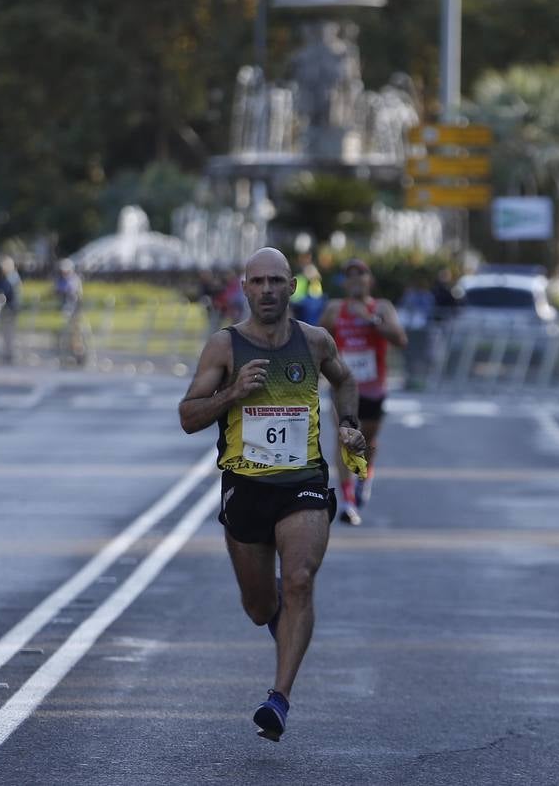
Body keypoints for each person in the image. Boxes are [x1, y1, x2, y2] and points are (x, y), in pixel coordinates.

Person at [178, 247, 366, 743]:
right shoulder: (225, 347)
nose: (267, 290)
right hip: (245, 486)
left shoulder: (315, 342)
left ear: (292, 287)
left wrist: (348, 425)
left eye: (276, 281)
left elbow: (347, 382)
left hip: (302, 482)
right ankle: (283, 619)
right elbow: (187, 416)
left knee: (300, 579)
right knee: (260, 607)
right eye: (257, 282)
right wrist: (232, 394)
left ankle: (278, 698)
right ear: (244, 288)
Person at [317, 258, 408, 525]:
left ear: (370, 281)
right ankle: (347, 501)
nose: (355, 280)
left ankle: (364, 478)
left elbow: (400, 339)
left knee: (368, 442)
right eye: (350, 276)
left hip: (374, 388)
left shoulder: (381, 307)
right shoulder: (335, 309)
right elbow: (318, 339)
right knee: (345, 439)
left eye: (361, 275)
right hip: (344, 388)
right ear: (345, 282)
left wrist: (371, 320)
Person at [399, 274, 436, 390]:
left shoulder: (426, 296)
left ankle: (419, 382)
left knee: (420, 357)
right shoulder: (409, 295)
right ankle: (409, 381)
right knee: (409, 357)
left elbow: (428, 312)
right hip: (409, 332)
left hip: (421, 333)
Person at [0, 256, 22, 364]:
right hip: (7, 309)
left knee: (9, 332)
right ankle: (7, 352)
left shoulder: (12, 278)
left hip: (10, 309)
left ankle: (9, 352)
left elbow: (6, 292)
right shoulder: (8, 277)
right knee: (5, 332)